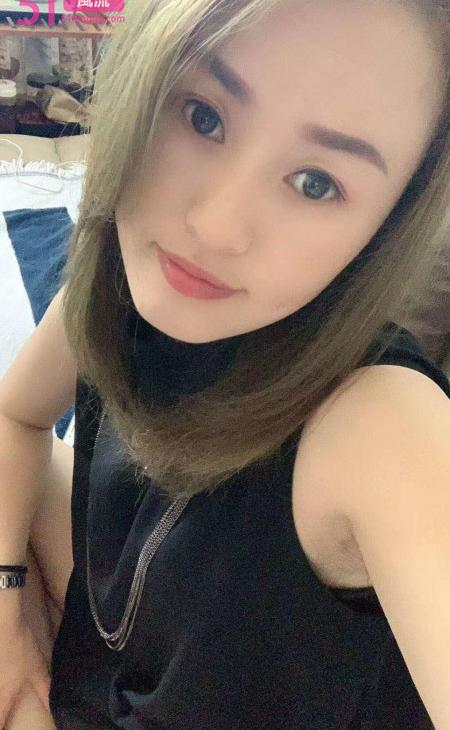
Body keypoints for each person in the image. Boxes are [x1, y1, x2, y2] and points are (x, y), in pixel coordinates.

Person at [0, 0, 449, 727]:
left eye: (316, 182)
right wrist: (8, 623)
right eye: (202, 116)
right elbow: (16, 416)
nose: (213, 227)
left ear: (387, 225)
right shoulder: (122, 271)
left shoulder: (381, 425)